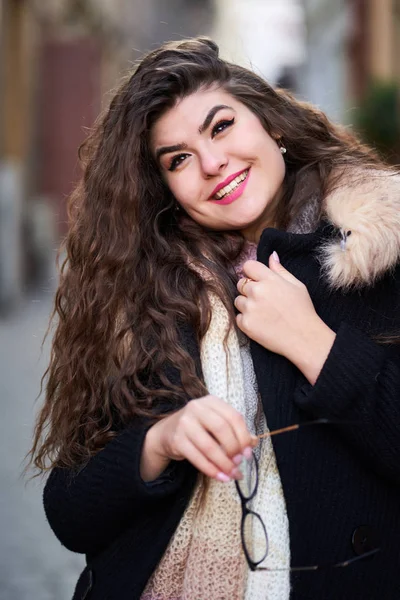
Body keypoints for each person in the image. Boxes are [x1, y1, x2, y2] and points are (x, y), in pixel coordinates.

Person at [29, 37, 400, 600]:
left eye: (221, 126)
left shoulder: (379, 251)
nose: (210, 163)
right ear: (166, 190)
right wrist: (161, 441)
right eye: (177, 159)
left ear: (273, 125)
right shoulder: (145, 295)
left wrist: (317, 347)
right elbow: (70, 513)